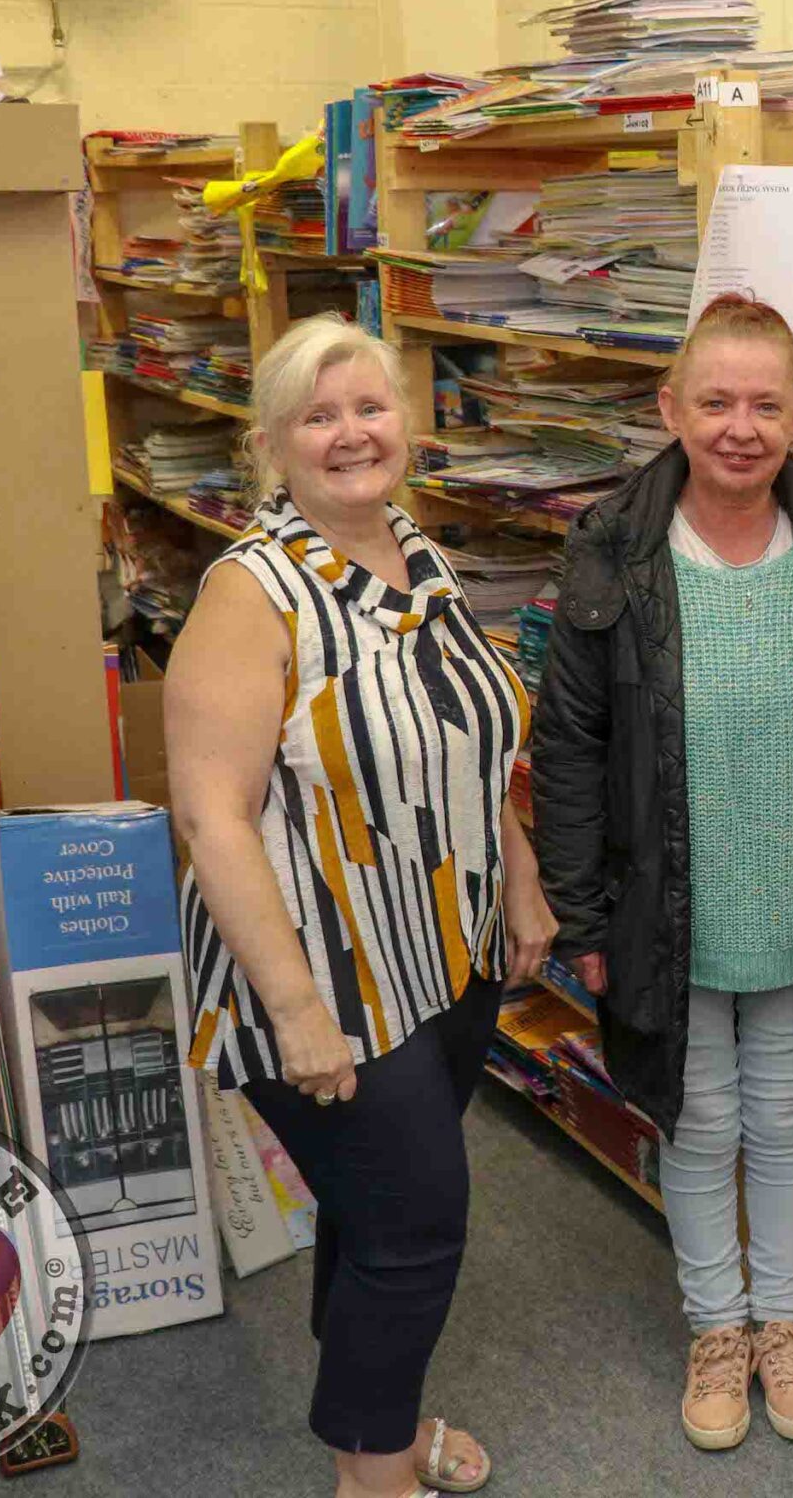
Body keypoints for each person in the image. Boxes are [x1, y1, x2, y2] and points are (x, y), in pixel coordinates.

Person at [533, 294, 793, 1453]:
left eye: (767, 403)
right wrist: (582, 911)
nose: (740, 427)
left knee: (782, 1113)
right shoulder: (614, 551)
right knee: (698, 1121)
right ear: (670, 410)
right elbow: (566, 748)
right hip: (669, 903)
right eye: (715, 401)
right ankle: (717, 1326)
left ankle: (782, 1322)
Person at [172, 315, 552, 1498]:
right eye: (318, 417)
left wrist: (521, 876)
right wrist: (294, 1011)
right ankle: (375, 1476)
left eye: (370, 407)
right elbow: (211, 817)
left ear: (406, 422)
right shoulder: (253, 591)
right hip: (316, 972)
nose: (351, 434)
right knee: (416, 1223)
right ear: (273, 447)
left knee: (369, 1207)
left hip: (438, 952)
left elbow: (465, 743)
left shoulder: (413, 553)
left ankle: (366, 1423)